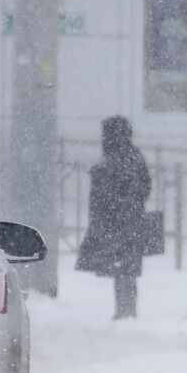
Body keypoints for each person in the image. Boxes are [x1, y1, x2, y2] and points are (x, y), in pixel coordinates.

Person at [76, 116, 152, 319]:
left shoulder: (113, 160)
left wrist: (99, 173)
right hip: (130, 220)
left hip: (116, 222)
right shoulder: (133, 157)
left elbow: (107, 193)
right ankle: (127, 310)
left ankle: (125, 311)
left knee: (122, 267)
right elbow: (144, 187)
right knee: (126, 267)